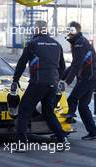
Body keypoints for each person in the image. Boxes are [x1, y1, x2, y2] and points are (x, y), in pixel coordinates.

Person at [11, 20, 68, 151]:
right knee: (48, 112)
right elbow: (62, 66)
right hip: (52, 83)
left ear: (36, 29)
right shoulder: (56, 44)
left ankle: (21, 144)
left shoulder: (33, 44)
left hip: (37, 82)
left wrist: (16, 80)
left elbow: (21, 63)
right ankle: (62, 139)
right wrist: (55, 79)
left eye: (34, 28)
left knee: (24, 111)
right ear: (46, 29)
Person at [63, 21, 96, 140]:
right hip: (91, 77)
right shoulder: (78, 42)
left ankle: (64, 130)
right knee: (83, 106)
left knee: (71, 100)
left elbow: (76, 64)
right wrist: (61, 77)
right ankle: (94, 132)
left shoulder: (80, 43)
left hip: (90, 78)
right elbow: (73, 66)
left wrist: (66, 82)